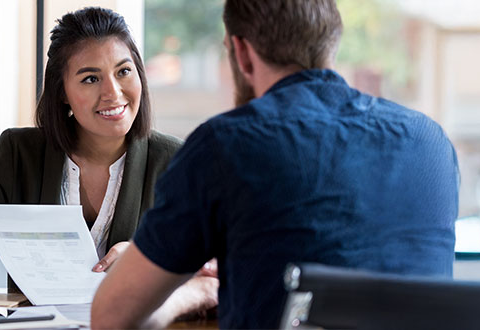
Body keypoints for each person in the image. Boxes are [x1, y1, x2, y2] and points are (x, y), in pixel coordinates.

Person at [90, 0, 459, 328]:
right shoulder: (430, 141)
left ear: (242, 52)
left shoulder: (227, 145)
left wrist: (200, 291)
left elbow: (111, 316)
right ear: (333, 40)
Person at [0, 7, 217, 319]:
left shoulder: (176, 161)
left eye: (123, 72)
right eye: (90, 78)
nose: (113, 92)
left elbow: (213, 269)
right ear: (62, 92)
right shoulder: (19, 154)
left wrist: (149, 261)